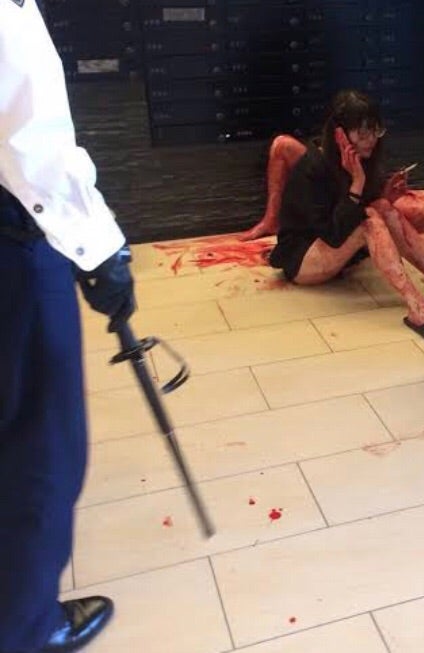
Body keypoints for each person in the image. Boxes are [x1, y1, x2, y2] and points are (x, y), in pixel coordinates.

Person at [1, 1, 136, 651]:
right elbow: (35, 144)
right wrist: (101, 251)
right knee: (40, 444)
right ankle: (26, 626)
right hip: (12, 249)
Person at [258, 90, 424, 345]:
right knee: (370, 221)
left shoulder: (362, 157)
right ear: (340, 134)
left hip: (337, 250)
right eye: (362, 134)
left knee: (383, 207)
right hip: (304, 258)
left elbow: (367, 206)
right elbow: (333, 234)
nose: (370, 140)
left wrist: (386, 195)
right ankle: (417, 307)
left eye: (375, 131)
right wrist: (357, 185)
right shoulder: (313, 167)